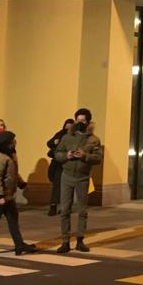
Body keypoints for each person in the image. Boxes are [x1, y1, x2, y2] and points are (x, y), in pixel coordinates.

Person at [0, 129, 36, 256]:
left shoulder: (9, 155)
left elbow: (12, 173)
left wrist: (20, 183)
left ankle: (19, 245)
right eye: (12, 141)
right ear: (7, 143)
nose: (15, 142)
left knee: (13, 219)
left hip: (7, 195)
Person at [54, 108, 103, 253]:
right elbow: (57, 154)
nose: (80, 122)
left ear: (88, 121)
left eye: (83, 120)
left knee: (82, 210)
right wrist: (66, 155)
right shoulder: (67, 137)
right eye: (78, 120)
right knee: (65, 209)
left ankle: (80, 240)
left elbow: (98, 158)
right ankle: (65, 241)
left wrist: (84, 155)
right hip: (67, 176)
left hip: (83, 177)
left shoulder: (94, 140)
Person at [45, 118, 74, 216]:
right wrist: (55, 142)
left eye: (70, 126)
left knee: (66, 186)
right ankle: (53, 205)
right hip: (57, 164)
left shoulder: (74, 137)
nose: (68, 127)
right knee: (57, 184)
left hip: (67, 163)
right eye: (67, 125)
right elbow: (49, 143)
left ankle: (64, 206)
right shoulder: (60, 133)